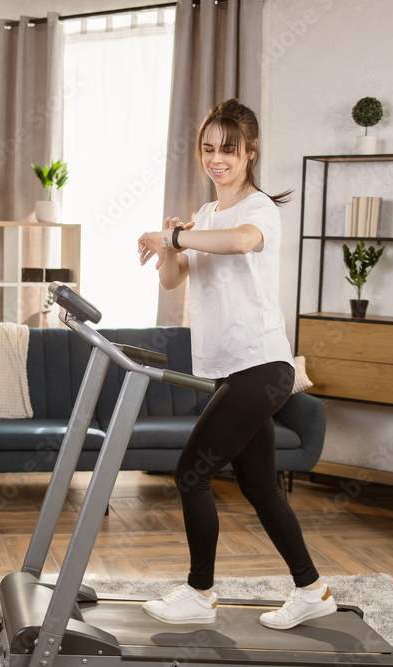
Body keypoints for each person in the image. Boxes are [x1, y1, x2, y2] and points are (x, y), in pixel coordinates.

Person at [136, 99, 335, 630]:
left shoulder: (257, 210)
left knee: (190, 475)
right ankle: (312, 588)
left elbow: (242, 243)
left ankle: (200, 593)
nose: (217, 159)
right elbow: (174, 280)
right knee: (260, 487)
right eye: (208, 148)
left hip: (263, 366)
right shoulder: (205, 216)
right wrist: (171, 246)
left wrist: (175, 238)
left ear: (250, 152)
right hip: (231, 369)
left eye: (228, 149)